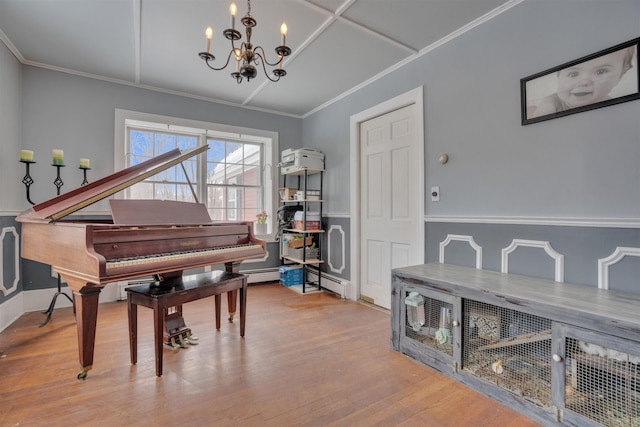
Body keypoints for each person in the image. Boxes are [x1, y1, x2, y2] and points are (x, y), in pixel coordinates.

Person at [530, 46, 635, 118]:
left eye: (600, 71)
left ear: (622, 74)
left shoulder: (614, 107)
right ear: (559, 75)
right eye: (573, 74)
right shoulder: (551, 104)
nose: (583, 82)